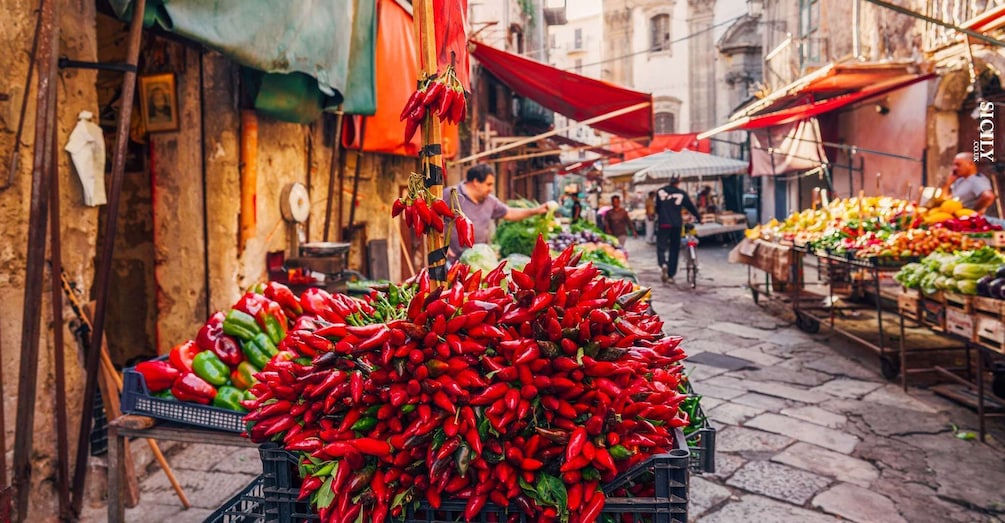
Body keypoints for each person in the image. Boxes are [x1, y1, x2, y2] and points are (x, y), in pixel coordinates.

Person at [445, 164, 548, 261]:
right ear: (476, 181)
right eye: (488, 184)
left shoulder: (489, 201)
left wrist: (536, 210)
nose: (491, 189)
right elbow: (433, 218)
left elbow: (510, 213)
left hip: (476, 258)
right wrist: (442, 246)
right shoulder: (451, 194)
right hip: (451, 259)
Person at [655, 176, 701, 284]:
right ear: (678, 182)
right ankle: (671, 274)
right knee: (674, 249)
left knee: (661, 246)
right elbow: (690, 206)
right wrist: (699, 218)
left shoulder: (660, 192)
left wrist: (662, 215)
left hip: (664, 223)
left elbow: (657, 207)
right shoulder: (681, 193)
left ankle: (663, 263)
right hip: (676, 224)